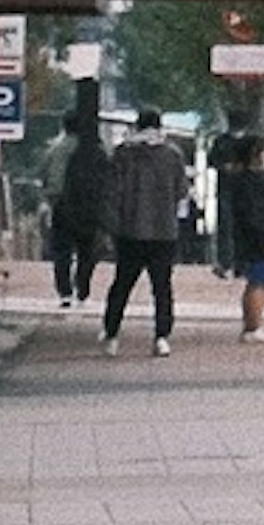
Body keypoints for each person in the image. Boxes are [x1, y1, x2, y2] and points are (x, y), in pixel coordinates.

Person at [99, 109, 187, 349]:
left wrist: (110, 226)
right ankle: (161, 336)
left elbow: (112, 193)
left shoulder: (123, 154)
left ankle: (112, 333)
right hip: (163, 230)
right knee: (162, 287)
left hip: (130, 230)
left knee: (122, 284)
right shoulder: (173, 155)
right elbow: (181, 191)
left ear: (137, 126)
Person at [218, 122, 264, 342]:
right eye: (263, 152)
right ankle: (253, 327)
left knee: (259, 281)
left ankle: (252, 326)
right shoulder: (251, 183)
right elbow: (253, 214)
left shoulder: (250, 181)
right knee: (259, 281)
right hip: (259, 240)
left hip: (257, 238)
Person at [45, 91, 110, 313]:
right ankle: (83, 290)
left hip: (62, 204)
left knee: (61, 250)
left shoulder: (55, 149)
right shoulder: (95, 150)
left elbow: (48, 178)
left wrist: (51, 198)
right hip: (87, 205)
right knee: (87, 250)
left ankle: (64, 292)